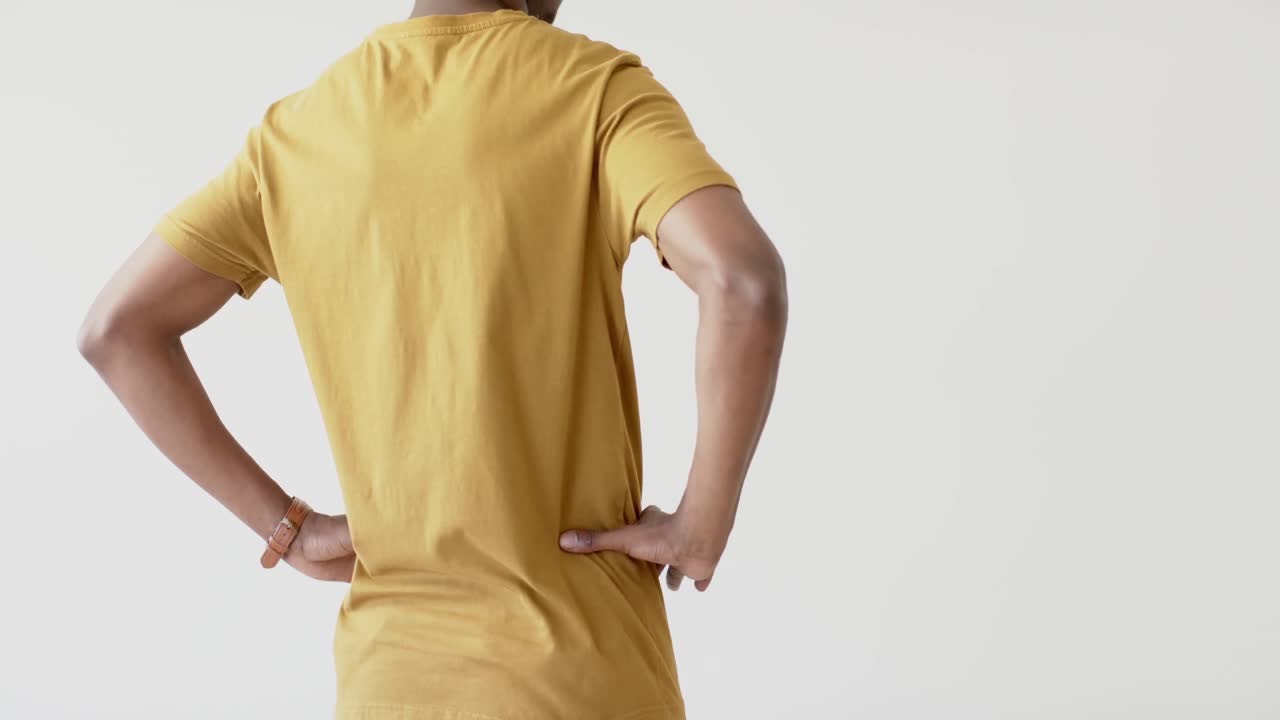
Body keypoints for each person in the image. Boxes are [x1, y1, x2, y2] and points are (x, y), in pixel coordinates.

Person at [75, 1, 787, 718]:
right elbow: (741, 283)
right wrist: (702, 525)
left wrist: (284, 527)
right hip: (579, 680)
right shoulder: (592, 89)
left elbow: (117, 330)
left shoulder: (295, 136)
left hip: (389, 682)